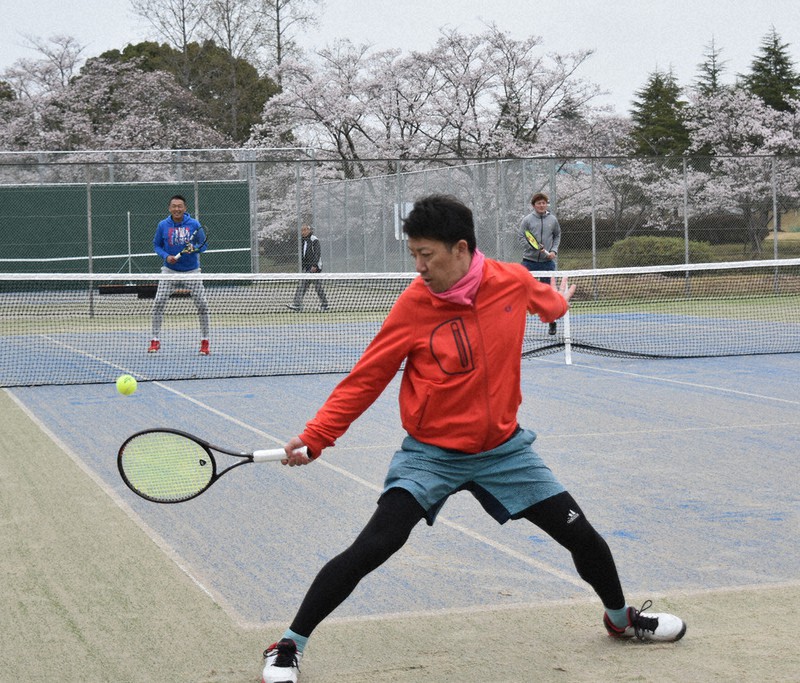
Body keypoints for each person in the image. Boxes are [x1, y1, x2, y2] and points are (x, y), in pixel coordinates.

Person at [261, 194, 686, 683]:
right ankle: (288, 645)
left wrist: (560, 301)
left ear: (461, 248)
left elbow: (545, 302)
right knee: (376, 544)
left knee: (580, 534)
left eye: (427, 255)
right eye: (413, 255)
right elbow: (366, 378)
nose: (418, 267)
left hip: (504, 451)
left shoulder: (510, 280)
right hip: (432, 455)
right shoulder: (414, 305)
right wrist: (316, 437)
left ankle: (619, 620)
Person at [148, 194, 211, 355]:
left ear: (185, 208)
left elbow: (203, 246)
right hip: (169, 271)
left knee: (202, 305)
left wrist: (194, 249)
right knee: (158, 303)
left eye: (180, 206)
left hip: (192, 271)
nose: (177, 209)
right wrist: (166, 256)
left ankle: (205, 341)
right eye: (174, 206)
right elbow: (157, 245)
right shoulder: (163, 225)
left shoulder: (194, 224)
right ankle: (155, 340)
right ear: (169, 208)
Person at [520, 191, 561, 335]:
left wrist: (553, 251)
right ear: (534, 205)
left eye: (544, 203)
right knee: (522, 292)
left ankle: (552, 321)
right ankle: (518, 324)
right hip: (529, 262)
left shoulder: (553, 220)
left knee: (549, 294)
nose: (542, 205)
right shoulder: (527, 220)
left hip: (547, 264)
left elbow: (557, 236)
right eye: (539, 203)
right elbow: (522, 237)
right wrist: (534, 248)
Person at [286, 224, 329, 312]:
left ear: (309, 230)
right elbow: (303, 255)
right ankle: (297, 304)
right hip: (306, 268)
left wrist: (314, 266)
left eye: (305, 230)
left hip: (315, 268)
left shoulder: (314, 240)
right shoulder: (302, 241)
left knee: (317, 287)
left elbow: (317, 253)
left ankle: (324, 305)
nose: (303, 232)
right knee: (302, 285)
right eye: (302, 230)